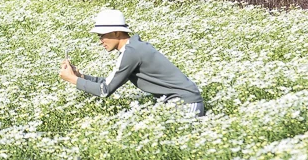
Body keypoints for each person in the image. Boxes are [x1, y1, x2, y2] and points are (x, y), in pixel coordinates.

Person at [58, 9, 205, 116]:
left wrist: (72, 79)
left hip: (185, 103)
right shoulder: (132, 48)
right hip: (179, 101)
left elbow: (105, 91)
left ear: (116, 32)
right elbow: (109, 83)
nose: (100, 40)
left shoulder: (131, 52)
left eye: (102, 35)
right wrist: (81, 76)